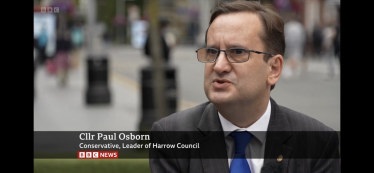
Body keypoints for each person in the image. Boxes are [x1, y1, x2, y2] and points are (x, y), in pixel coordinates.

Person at [149, 1, 340, 173]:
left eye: (237, 52)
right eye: (212, 51)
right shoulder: (171, 137)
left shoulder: (317, 143)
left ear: (273, 69)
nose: (219, 65)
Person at [283, 12, 306, 79]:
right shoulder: (299, 26)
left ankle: (291, 69)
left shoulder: (288, 26)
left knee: (291, 56)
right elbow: (302, 36)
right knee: (296, 56)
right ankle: (293, 69)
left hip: (289, 43)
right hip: (297, 44)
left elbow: (285, 35)